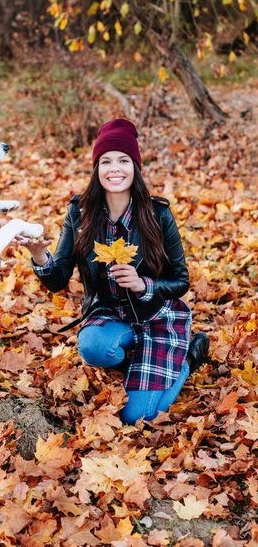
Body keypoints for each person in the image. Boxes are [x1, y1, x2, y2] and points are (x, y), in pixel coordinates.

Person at [18, 119, 209, 424]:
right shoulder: (79, 213)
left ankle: (188, 358)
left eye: (123, 160)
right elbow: (59, 279)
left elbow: (181, 280)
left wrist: (144, 284)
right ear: (96, 169)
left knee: (138, 417)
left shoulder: (158, 214)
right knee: (93, 347)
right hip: (108, 313)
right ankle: (134, 360)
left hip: (155, 316)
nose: (114, 169)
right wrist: (40, 255)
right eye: (106, 161)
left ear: (135, 167)